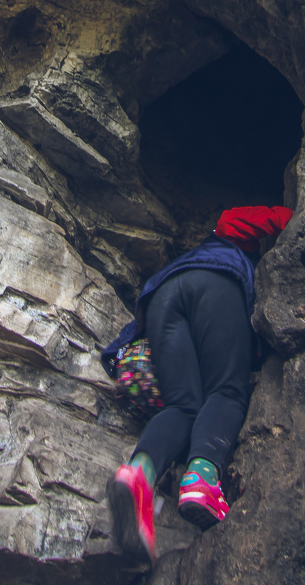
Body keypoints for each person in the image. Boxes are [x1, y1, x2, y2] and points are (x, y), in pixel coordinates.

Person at [101, 204, 293, 564]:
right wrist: (299, 221)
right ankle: (202, 480)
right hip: (215, 286)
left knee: (184, 405)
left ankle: (138, 476)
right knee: (227, 392)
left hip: (161, 298)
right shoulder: (228, 240)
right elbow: (243, 218)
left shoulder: (201, 250)